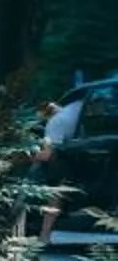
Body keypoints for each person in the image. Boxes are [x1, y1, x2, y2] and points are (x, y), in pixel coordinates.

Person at [35, 84, 86, 245]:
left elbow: (47, 154)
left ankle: (44, 235)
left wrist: (28, 155)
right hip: (82, 161)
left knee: (55, 196)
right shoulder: (77, 109)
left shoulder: (56, 122)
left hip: (64, 165)